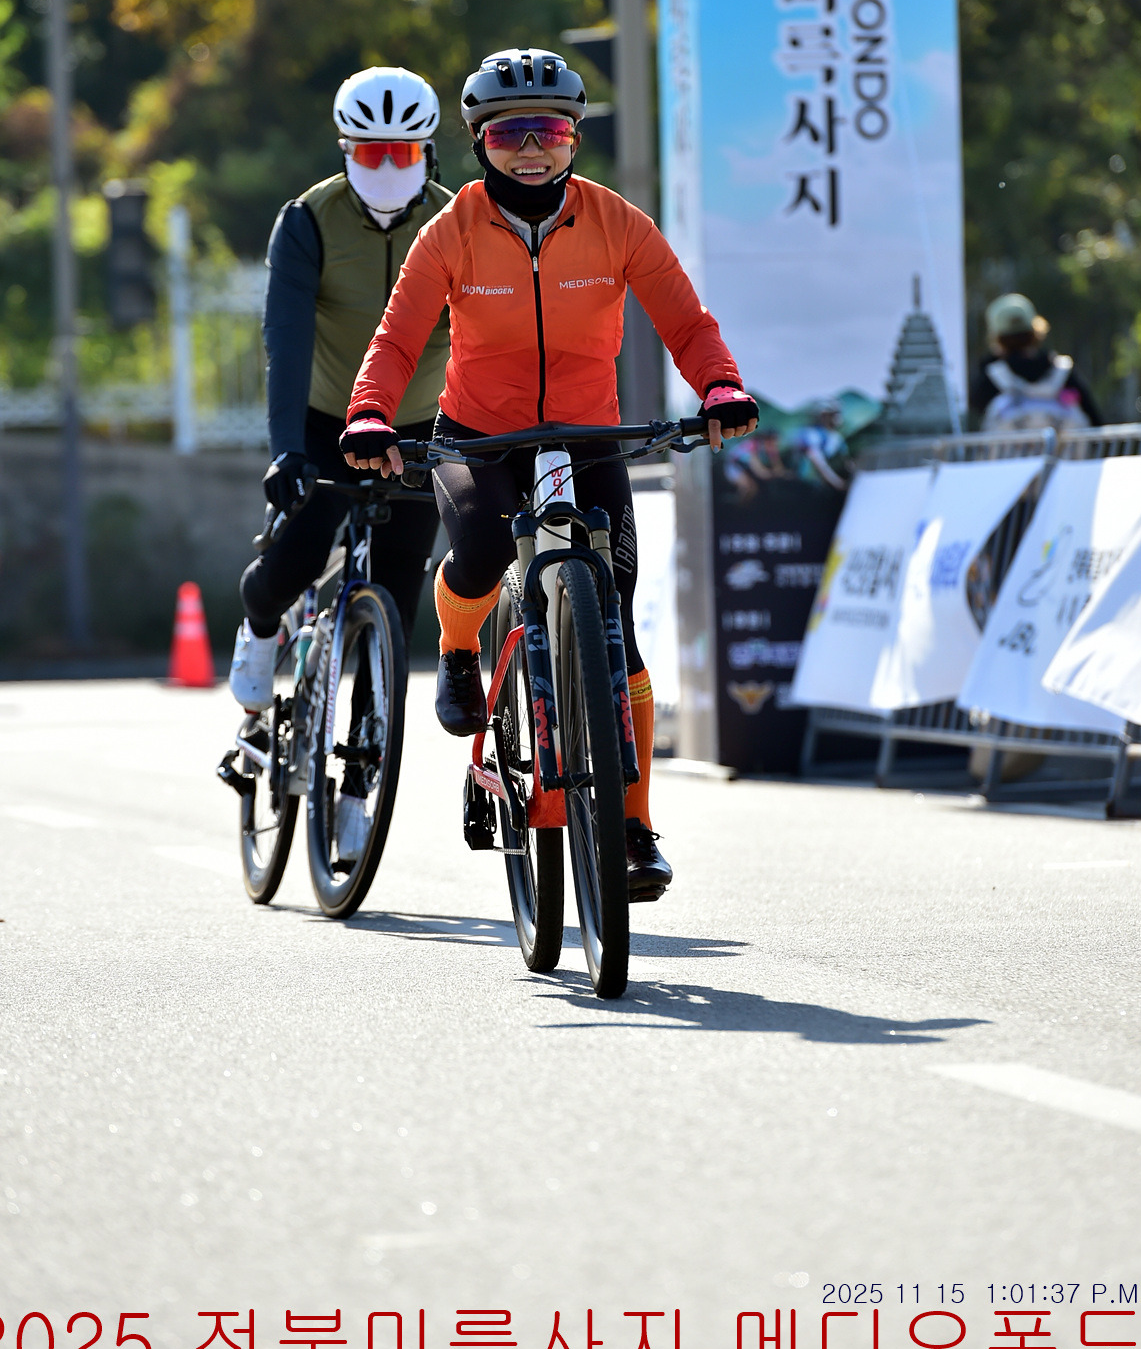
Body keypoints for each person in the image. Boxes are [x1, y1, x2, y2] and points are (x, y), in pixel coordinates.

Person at [340, 47, 758, 900]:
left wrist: (719, 386)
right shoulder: (451, 229)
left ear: (574, 138)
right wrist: (371, 411)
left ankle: (633, 828)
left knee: (617, 622)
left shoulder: (617, 222)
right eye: (509, 134)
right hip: (480, 435)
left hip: (587, 435)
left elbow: (686, 320)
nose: (532, 149)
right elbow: (398, 336)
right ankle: (460, 649)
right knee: (485, 553)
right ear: (479, 143)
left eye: (550, 131)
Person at [228, 66, 453, 710]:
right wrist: (286, 450)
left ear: (427, 153)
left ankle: (369, 745)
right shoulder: (307, 220)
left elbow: (484, 336)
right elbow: (286, 340)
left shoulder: (456, 220)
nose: (386, 167)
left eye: (402, 154)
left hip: (416, 427)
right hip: (327, 420)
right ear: (346, 149)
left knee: (399, 590)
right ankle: (260, 628)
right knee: (296, 560)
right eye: (371, 153)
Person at [969, 293, 1102, 433]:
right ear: (1035, 331)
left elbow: (974, 415)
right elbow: (1095, 420)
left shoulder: (989, 378)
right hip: (1061, 448)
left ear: (996, 337)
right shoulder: (1062, 371)